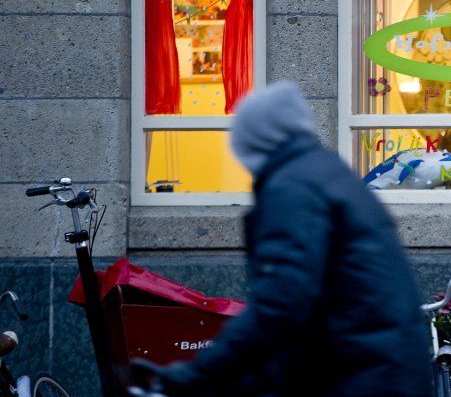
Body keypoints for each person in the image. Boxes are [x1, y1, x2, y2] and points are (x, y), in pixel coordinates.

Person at [157, 82, 431, 397]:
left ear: (255, 141)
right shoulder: (326, 172)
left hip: (361, 376)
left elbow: (280, 306)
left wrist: (196, 374)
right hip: (382, 370)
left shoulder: (292, 189)